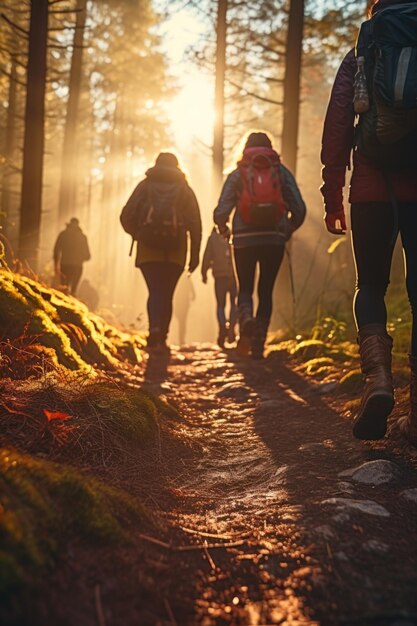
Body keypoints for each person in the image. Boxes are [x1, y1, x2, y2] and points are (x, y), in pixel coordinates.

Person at [321, 0, 417, 442]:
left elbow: (339, 123)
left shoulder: (364, 48)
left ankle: (378, 381)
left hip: (371, 187)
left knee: (372, 286)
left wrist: (332, 196)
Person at [213, 131, 306, 359]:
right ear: (270, 148)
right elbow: (300, 209)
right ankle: (258, 343)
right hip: (273, 238)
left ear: (246, 148)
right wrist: (287, 230)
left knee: (244, 288)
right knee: (266, 290)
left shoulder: (238, 174)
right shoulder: (281, 172)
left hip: (243, 240)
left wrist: (224, 230)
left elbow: (221, 211)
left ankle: (245, 319)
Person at [120, 152, 202, 351]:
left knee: (154, 292)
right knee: (167, 294)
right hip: (176, 251)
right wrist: (195, 255)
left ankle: (154, 331)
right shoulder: (184, 189)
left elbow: (125, 215)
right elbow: (195, 224)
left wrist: (139, 234)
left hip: (148, 250)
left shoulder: (145, 186)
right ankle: (162, 336)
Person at [201, 227, 237, 348]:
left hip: (219, 276)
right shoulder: (234, 234)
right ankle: (231, 327)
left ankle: (223, 326)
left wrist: (204, 272)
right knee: (234, 303)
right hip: (234, 276)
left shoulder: (213, 239)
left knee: (220, 304)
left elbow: (207, 256)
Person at [53, 217, 91, 295]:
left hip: (65, 265)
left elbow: (56, 250)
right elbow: (88, 256)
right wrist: (79, 258)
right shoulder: (82, 237)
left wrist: (56, 264)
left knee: (64, 287)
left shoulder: (63, 234)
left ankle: (62, 303)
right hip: (77, 267)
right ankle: (71, 300)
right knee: (73, 289)